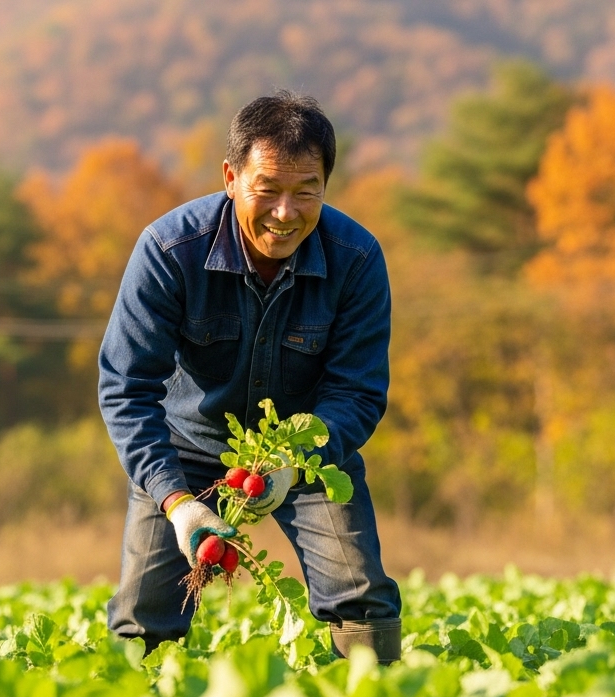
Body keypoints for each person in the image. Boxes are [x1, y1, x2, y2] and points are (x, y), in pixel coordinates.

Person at [98, 90, 402, 662]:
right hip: (183, 453)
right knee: (145, 620)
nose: (285, 212)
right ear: (231, 177)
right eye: (267, 190)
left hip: (302, 454)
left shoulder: (356, 259)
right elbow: (126, 387)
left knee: (361, 599)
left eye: (305, 191)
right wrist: (177, 502)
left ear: (326, 186)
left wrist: (292, 462)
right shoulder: (169, 250)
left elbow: (356, 392)